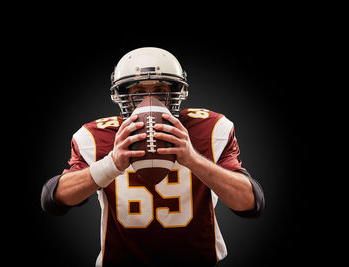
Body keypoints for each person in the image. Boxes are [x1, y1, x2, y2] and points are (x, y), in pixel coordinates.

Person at [41, 47, 265, 266]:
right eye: (138, 92)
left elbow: (251, 203)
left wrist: (193, 159)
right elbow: (54, 199)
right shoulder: (97, 135)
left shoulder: (210, 128)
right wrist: (110, 164)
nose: (151, 100)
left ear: (177, 92)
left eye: (161, 89)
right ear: (122, 96)